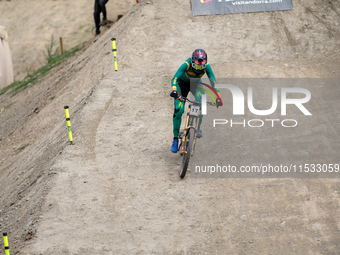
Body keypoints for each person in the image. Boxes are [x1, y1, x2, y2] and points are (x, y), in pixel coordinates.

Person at [170, 49, 221, 153]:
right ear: (192, 62)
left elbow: (213, 81)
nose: (198, 69)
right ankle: (175, 139)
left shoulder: (207, 67)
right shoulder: (186, 64)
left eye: (201, 67)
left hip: (196, 84)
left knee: (202, 101)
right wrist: (174, 90)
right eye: (196, 66)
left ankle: (197, 127)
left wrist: (218, 96)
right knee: (179, 110)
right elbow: (174, 78)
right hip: (182, 84)